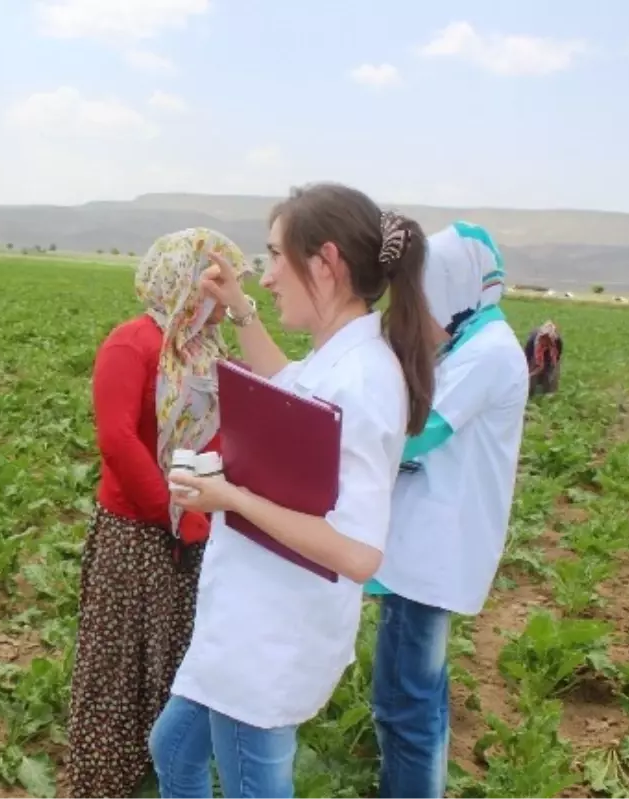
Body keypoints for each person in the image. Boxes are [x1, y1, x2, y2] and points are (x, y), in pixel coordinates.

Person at [150, 183, 437, 798]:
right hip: (250, 620)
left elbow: (359, 552)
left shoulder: (362, 381)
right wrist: (239, 307)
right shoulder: (338, 358)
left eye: (277, 255)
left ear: (324, 262)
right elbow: (289, 384)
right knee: (173, 751)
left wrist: (231, 497)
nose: (270, 274)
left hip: (269, 638)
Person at [67, 228, 254, 798]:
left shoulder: (208, 350)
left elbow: (228, 433)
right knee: (120, 666)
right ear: (185, 282)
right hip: (138, 534)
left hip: (195, 530)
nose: (227, 298)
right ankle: (106, 781)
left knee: (180, 661)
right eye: (218, 284)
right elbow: (118, 441)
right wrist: (172, 511)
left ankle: (165, 774)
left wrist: (205, 510)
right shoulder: (133, 343)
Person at [363, 222, 529, 797]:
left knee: (404, 706)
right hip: (426, 552)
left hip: (431, 558)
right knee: (415, 699)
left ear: (455, 292)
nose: (416, 316)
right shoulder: (475, 344)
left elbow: (417, 435)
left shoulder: (486, 354)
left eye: (422, 299)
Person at [524, 319, 562, 396]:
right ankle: (530, 392)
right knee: (532, 375)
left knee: (550, 375)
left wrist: (551, 365)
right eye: (544, 338)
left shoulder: (556, 340)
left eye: (548, 338)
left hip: (550, 356)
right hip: (535, 356)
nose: (546, 340)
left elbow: (558, 354)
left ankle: (548, 393)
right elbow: (527, 355)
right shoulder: (532, 340)